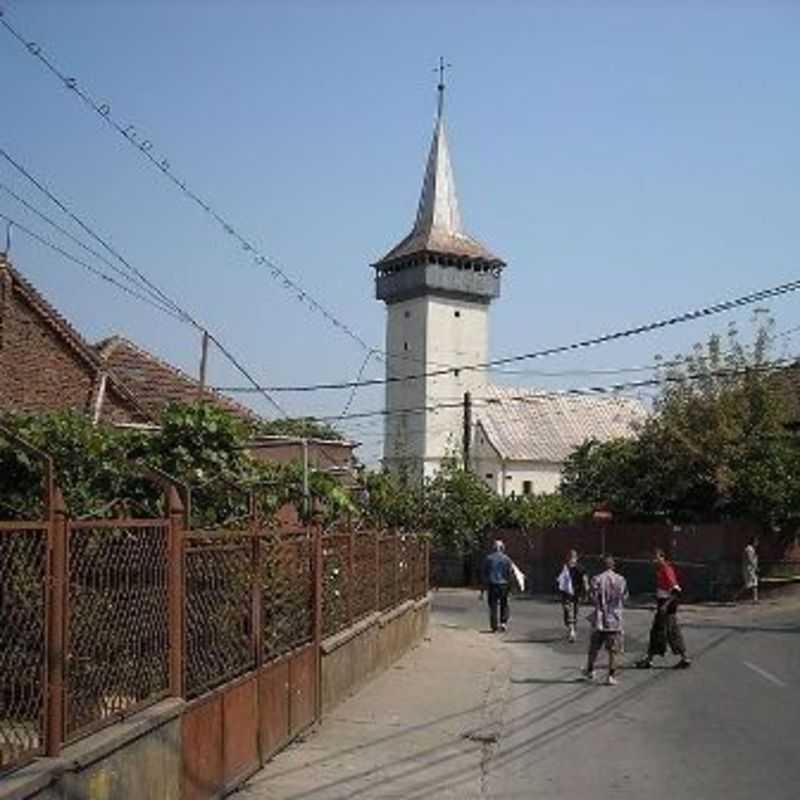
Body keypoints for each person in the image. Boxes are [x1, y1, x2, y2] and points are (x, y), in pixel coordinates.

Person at [635, 549, 691, 670]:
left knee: (664, 632)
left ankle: (651, 659)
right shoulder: (661, 569)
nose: (653, 560)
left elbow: (675, 591)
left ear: (662, 557)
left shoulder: (666, 569)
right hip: (664, 603)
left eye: (655, 557)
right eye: (652, 558)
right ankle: (682, 658)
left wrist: (665, 605)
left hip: (667, 605)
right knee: (664, 631)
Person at [582, 555, 628, 686]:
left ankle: (590, 670)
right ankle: (611, 676)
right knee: (613, 650)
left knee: (594, 647)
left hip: (600, 619)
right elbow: (624, 597)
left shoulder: (597, 579)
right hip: (615, 619)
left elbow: (592, 596)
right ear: (613, 566)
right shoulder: (621, 580)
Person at [556, 549, 589, 642]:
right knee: (570, 612)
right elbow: (560, 579)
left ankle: (572, 630)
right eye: (570, 557)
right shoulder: (565, 568)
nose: (571, 559)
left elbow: (585, 579)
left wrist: (586, 591)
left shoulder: (579, 568)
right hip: (568, 593)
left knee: (572, 612)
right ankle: (572, 629)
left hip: (574, 594)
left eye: (573, 557)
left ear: (576, 558)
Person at [482, 539, 512, 632]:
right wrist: (510, 586)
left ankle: (494, 626)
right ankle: (503, 623)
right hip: (503, 585)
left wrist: (482, 588)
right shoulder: (507, 559)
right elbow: (509, 573)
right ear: (502, 548)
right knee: (504, 604)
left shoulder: (488, 558)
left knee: (493, 605)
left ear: (494, 548)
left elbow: (485, 573)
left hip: (492, 584)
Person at [742, 536, 759, 604]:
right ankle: (735, 596)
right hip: (749, 569)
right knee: (750, 585)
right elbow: (750, 559)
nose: (757, 543)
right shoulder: (749, 549)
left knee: (754, 584)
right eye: (756, 542)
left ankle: (755, 599)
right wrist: (755, 567)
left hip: (751, 569)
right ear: (753, 542)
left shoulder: (751, 549)